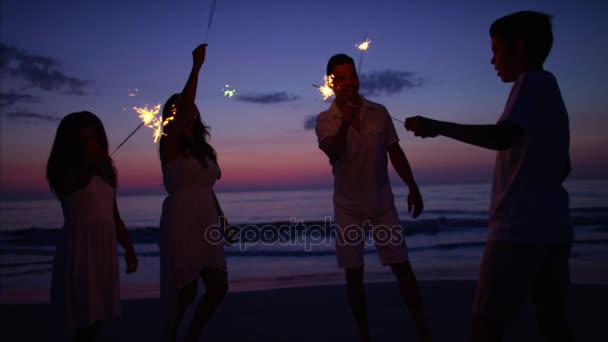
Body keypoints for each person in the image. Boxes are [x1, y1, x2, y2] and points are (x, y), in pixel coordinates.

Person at [405, 11, 573, 342]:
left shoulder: (531, 83)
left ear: (519, 48)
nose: (492, 59)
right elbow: (563, 165)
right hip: (553, 229)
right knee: (554, 325)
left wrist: (437, 127)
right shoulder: (549, 86)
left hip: (517, 232)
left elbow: (502, 137)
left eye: (496, 48)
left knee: (485, 326)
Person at [315, 53, 432, 342]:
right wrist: (345, 122)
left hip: (382, 203)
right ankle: (364, 335)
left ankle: (423, 330)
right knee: (354, 274)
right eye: (340, 78)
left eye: (351, 75)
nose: (348, 81)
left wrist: (413, 186)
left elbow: (395, 151)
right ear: (331, 82)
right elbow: (333, 151)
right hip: (347, 207)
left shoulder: (379, 111)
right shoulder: (325, 119)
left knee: (402, 267)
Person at [158, 43, 229, 342]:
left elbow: (208, 189)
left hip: (206, 217)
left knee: (217, 286)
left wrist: (223, 221)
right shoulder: (168, 143)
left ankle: (191, 337)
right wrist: (196, 67)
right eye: (181, 109)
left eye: (190, 110)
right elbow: (184, 106)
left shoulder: (203, 150)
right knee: (184, 290)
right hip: (181, 218)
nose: (188, 112)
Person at [47, 111, 138, 341]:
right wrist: (92, 165)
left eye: (94, 139)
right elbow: (73, 184)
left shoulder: (106, 172)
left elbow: (113, 215)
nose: (90, 145)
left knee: (96, 319)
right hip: (79, 251)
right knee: (82, 319)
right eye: (83, 141)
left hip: (102, 250)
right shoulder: (63, 172)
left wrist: (128, 247)